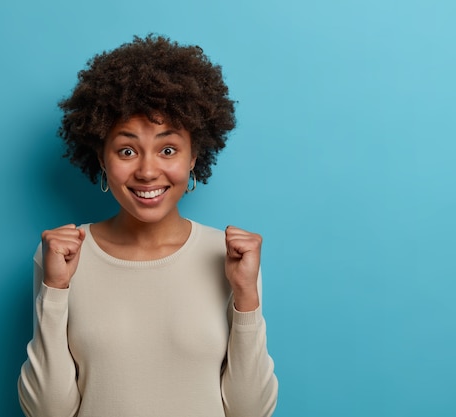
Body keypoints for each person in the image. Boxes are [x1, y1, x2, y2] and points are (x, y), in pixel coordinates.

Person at [18, 34, 278, 417]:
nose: (147, 170)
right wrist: (55, 290)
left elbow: (250, 412)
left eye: (168, 149)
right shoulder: (63, 256)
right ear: (102, 159)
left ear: (194, 157)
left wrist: (245, 299)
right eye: (126, 150)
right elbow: (48, 412)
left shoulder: (230, 258)